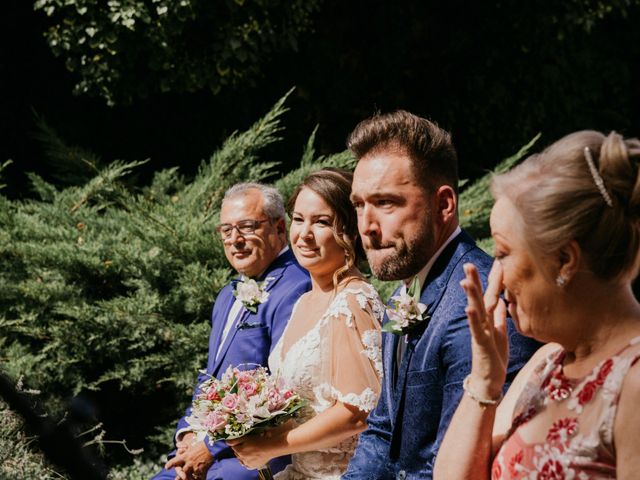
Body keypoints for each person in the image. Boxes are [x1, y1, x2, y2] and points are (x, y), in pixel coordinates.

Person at [342, 110, 540, 479]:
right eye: (358, 204)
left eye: (386, 203)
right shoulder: (408, 288)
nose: (366, 227)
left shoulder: (479, 307)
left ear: (444, 204)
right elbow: (384, 431)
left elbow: (466, 463)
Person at [433, 130, 640, 479]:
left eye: (503, 253)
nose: (495, 278)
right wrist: (485, 379)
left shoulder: (633, 384)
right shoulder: (548, 361)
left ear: (564, 260)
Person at [228, 168, 385, 479]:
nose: (305, 234)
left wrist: (272, 446)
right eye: (299, 219)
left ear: (351, 231)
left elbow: (357, 414)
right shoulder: (305, 301)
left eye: (322, 222)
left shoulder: (352, 300)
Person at [152, 183, 311, 480]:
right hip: (207, 447)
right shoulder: (228, 293)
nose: (235, 240)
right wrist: (187, 437)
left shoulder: (297, 286)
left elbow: (281, 388)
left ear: (279, 227)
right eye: (226, 230)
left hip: (255, 458)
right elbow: (212, 376)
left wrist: (209, 448)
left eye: (247, 227)